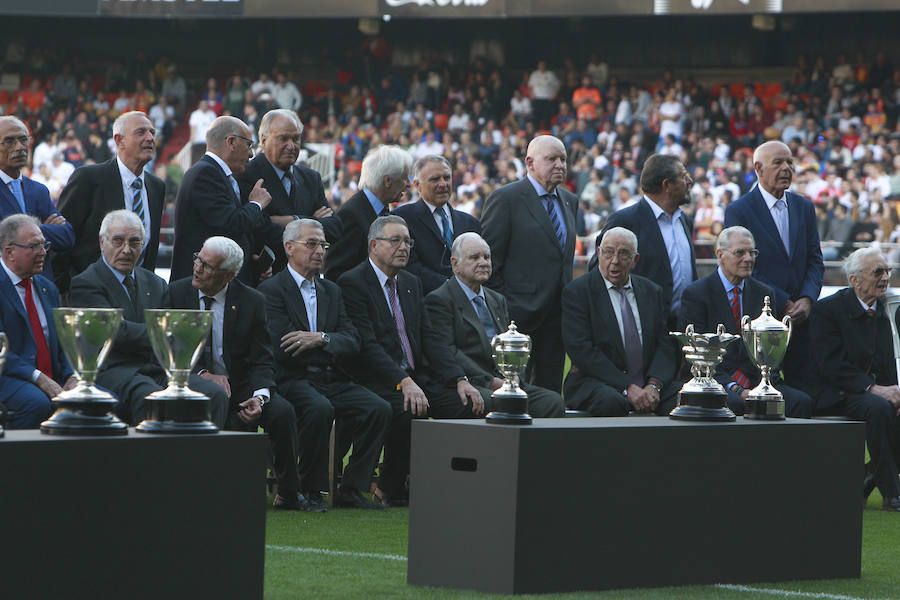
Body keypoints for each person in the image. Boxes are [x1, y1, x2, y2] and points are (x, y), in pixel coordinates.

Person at [338, 216, 484, 507]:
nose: (403, 247)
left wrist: (460, 379)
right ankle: (387, 487)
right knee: (408, 407)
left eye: (407, 241)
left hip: (415, 377)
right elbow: (367, 346)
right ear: (373, 245)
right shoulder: (353, 282)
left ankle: (451, 482)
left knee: (466, 404)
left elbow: (431, 339)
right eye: (395, 241)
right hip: (374, 378)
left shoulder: (410, 283)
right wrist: (402, 381)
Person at [259, 219, 391, 511]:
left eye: (323, 245)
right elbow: (285, 346)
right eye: (312, 244)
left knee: (377, 408)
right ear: (289, 248)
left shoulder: (332, 290)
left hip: (331, 376)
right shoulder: (272, 290)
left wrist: (320, 339)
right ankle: (308, 489)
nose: (320, 251)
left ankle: (352, 488)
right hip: (293, 378)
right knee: (319, 408)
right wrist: (329, 344)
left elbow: (352, 340)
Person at [168, 236, 304, 511]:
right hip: (190, 382)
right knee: (218, 402)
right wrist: (204, 374)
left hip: (241, 386)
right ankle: (212, 489)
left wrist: (260, 397)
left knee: (282, 412)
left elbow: (262, 359)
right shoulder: (175, 294)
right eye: (198, 259)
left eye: (207, 266)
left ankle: (289, 492)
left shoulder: (252, 300)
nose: (197, 267)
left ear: (228, 275)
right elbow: (167, 351)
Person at [69, 210, 228, 427]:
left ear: (143, 244)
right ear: (102, 242)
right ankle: (154, 460)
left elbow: (167, 332)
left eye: (135, 242)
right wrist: (161, 332)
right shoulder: (86, 282)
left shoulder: (155, 283)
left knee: (214, 393)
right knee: (151, 396)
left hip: (158, 368)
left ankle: (207, 459)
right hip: (114, 370)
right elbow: (114, 332)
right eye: (118, 241)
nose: (126, 249)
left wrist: (161, 332)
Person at [425, 232, 564, 417]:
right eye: (474, 257)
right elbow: (449, 352)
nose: (483, 262)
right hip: (468, 382)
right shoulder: (440, 300)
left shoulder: (497, 299)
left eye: (487, 257)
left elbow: (509, 347)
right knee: (499, 404)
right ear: (455, 263)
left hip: (503, 381)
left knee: (552, 402)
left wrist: (514, 377)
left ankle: (531, 447)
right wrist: (490, 381)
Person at [678, 226, 813, 417]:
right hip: (715, 381)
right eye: (740, 252)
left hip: (758, 380)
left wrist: (763, 386)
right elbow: (695, 356)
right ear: (720, 254)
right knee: (732, 402)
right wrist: (737, 389)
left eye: (752, 252)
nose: (748, 259)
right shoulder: (697, 294)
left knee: (800, 402)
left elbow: (770, 350)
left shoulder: (764, 294)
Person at [724, 140, 823, 392]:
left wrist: (807, 299)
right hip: (762, 320)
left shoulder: (804, 207)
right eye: (777, 162)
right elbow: (744, 268)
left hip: (802, 322)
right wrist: (782, 301)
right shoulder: (739, 210)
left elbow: (814, 259)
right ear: (758, 168)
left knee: (805, 396)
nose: (786, 168)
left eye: (790, 162)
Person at [481, 134, 577, 393]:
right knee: (514, 392)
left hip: (557, 317)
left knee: (550, 393)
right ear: (530, 162)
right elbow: (490, 262)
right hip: (517, 318)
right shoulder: (506, 199)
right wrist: (504, 308)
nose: (559, 165)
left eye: (563, 159)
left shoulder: (570, 201)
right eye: (551, 159)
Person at [809, 248, 900, 511]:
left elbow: (884, 362)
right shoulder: (827, 310)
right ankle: (891, 493)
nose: (885, 277)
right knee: (880, 409)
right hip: (834, 392)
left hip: (867, 391)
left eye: (888, 271)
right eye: (878, 272)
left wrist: (894, 391)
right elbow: (831, 366)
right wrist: (874, 389)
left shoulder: (880, 308)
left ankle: (868, 475)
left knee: (890, 406)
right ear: (854, 280)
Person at [562, 227, 679, 416]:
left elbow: (664, 345)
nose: (614, 261)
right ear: (599, 254)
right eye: (608, 252)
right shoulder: (578, 292)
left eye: (623, 254)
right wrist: (627, 387)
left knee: (691, 398)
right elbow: (581, 350)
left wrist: (654, 385)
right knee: (612, 402)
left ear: (635, 260)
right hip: (598, 382)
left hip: (647, 384)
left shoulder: (651, 291)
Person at [56, 111, 164, 292]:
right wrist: (64, 290)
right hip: (89, 295)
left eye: (152, 132)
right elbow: (61, 240)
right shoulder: (88, 178)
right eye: (141, 132)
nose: (149, 138)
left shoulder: (156, 187)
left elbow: (149, 250)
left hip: (138, 297)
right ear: (119, 140)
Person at [593, 153, 697, 329]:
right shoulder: (625, 220)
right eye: (683, 176)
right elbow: (598, 271)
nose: (690, 181)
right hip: (640, 328)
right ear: (666, 185)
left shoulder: (684, 221)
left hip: (683, 327)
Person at [170, 116, 272, 285]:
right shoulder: (206, 174)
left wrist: (251, 261)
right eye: (249, 145)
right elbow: (231, 224)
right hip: (201, 286)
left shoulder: (218, 175)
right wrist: (256, 204)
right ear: (231, 142)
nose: (251, 153)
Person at [240, 109, 342, 274]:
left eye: (296, 138)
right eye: (283, 138)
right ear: (263, 140)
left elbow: (335, 227)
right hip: (267, 280)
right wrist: (314, 222)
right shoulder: (248, 176)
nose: (291, 146)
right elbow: (259, 231)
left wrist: (292, 220)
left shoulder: (311, 178)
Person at [0, 215, 75, 428]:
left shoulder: (47, 288)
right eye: (34, 246)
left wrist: (71, 375)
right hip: (9, 376)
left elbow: (63, 340)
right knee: (36, 403)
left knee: (101, 399)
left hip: (52, 377)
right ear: (9, 251)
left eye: (44, 245)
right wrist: (38, 377)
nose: (43, 253)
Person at [391, 155, 481, 294]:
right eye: (435, 179)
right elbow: (408, 266)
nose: (443, 184)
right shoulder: (401, 219)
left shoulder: (470, 223)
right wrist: (452, 287)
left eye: (447, 178)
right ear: (417, 185)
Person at [0, 117, 73, 282]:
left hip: (40, 287)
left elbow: (67, 236)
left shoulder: (38, 190)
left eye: (23, 139)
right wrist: (41, 227)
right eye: (9, 141)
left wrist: (22, 233)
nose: (19, 147)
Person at [323, 144, 411, 282]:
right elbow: (336, 272)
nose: (408, 184)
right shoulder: (350, 215)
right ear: (387, 181)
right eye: (404, 178)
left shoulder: (383, 211)